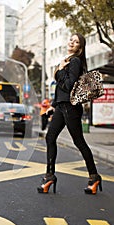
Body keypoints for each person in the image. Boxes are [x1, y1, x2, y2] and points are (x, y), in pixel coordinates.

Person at [37, 33, 102, 195]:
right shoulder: (69, 60)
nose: (72, 42)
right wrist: (53, 105)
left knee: (79, 142)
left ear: (80, 47)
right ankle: (49, 176)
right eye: (71, 40)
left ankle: (94, 177)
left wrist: (59, 71)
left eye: (76, 41)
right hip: (62, 106)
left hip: (70, 108)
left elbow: (68, 85)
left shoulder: (75, 61)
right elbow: (61, 89)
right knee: (50, 138)